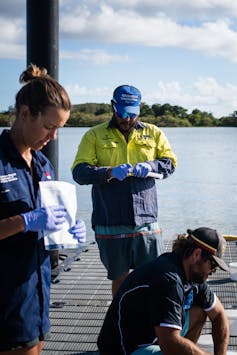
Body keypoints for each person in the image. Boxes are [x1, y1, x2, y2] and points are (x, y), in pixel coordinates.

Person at [0, 64, 86, 355]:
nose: (53, 138)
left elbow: (47, 226)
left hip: (36, 297)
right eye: (49, 127)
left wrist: (67, 231)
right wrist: (25, 220)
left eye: (59, 129)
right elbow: (28, 222)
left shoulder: (43, 166)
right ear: (25, 113)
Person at [71, 84, 177, 296]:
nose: (126, 119)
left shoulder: (154, 133)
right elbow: (79, 172)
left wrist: (151, 166)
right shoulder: (94, 135)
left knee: (152, 277)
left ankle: (148, 324)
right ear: (113, 107)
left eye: (132, 113)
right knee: (119, 278)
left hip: (146, 221)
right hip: (110, 221)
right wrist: (108, 173)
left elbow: (170, 163)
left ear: (140, 109)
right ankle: (121, 321)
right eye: (121, 113)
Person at [97, 227, 230, 355]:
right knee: (175, 347)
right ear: (196, 254)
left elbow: (219, 314)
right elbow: (170, 344)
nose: (213, 271)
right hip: (125, 349)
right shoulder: (168, 279)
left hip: (154, 338)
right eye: (213, 265)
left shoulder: (191, 273)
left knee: (200, 310)